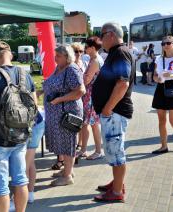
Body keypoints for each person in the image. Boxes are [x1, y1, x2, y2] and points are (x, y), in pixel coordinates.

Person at [0, 41, 36, 212]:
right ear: (10, 55)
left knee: (1, 187)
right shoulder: (25, 74)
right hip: (20, 137)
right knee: (20, 180)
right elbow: (33, 105)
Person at [92, 22, 135, 202]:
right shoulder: (116, 53)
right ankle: (117, 183)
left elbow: (122, 83)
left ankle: (117, 192)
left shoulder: (120, 53)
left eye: (101, 35)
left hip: (114, 113)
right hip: (112, 113)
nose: (100, 40)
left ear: (110, 34)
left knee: (116, 153)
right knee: (113, 152)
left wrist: (108, 108)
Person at [44, 45, 85, 186]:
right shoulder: (60, 68)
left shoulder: (71, 69)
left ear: (67, 57)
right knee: (63, 143)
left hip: (67, 113)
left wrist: (59, 99)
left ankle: (67, 177)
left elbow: (80, 91)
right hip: (59, 113)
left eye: (58, 56)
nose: (55, 58)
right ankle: (68, 170)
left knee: (68, 143)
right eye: (55, 55)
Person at [78, 36, 104, 160]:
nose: (85, 49)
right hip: (90, 95)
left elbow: (87, 80)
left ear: (93, 48)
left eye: (87, 47)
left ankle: (98, 151)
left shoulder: (94, 61)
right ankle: (83, 149)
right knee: (86, 123)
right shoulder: (94, 59)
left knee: (93, 124)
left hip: (92, 96)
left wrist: (79, 78)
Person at [25, 110, 45, 203]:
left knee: (24, 165)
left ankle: (21, 196)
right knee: (29, 162)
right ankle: (29, 194)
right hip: (35, 124)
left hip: (31, 126)